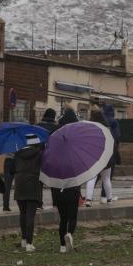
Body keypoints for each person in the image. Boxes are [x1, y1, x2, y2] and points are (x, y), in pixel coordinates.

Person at [51, 108, 80, 253]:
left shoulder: (54, 141)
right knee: (72, 215)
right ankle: (69, 234)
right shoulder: (76, 146)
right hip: (73, 186)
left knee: (62, 218)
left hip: (57, 187)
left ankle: (62, 246)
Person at [12, 133, 43, 251]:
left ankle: (24, 240)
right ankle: (30, 243)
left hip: (20, 185)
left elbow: (11, 170)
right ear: (36, 144)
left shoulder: (17, 154)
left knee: (23, 214)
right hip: (33, 185)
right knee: (30, 215)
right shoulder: (39, 154)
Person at [85, 110, 116, 206]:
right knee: (106, 178)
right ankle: (109, 199)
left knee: (91, 178)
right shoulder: (108, 129)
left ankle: (88, 200)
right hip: (107, 156)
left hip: (94, 156)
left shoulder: (90, 128)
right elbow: (113, 142)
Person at [100, 104, 121, 204]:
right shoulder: (113, 121)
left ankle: (88, 198)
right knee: (107, 176)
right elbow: (117, 137)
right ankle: (105, 197)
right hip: (110, 153)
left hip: (98, 152)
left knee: (94, 175)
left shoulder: (99, 120)